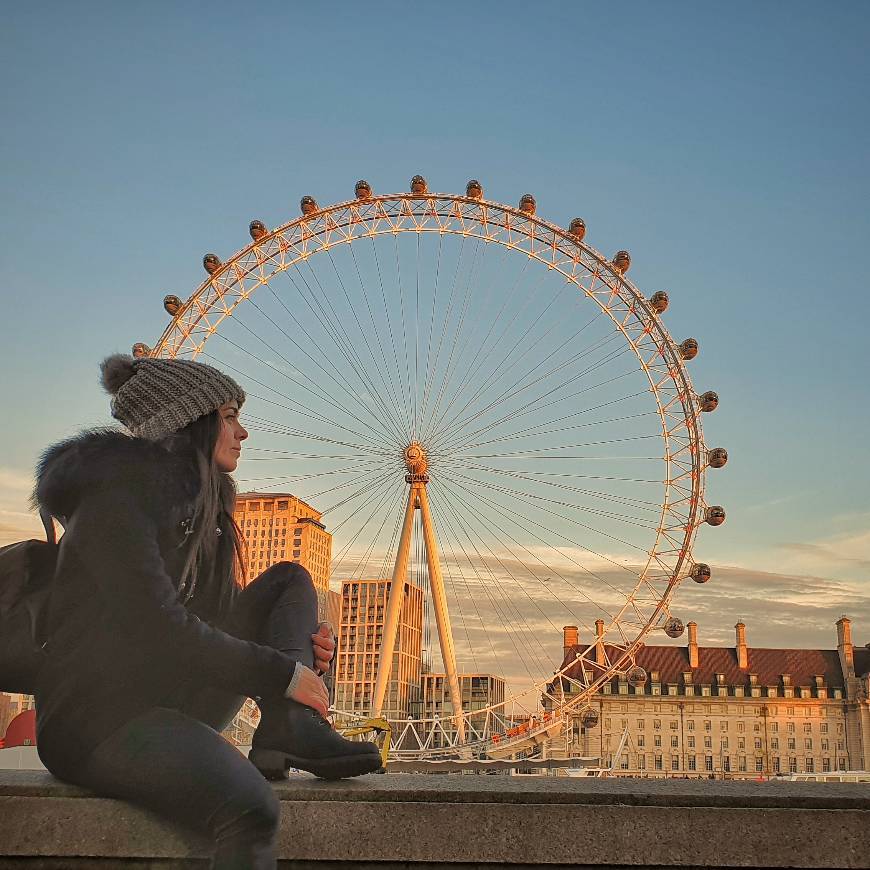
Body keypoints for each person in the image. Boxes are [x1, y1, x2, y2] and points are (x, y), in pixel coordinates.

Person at [32, 353, 381, 869]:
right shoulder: (115, 500)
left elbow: (214, 627)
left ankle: (289, 729)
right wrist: (282, 671)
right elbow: (159, 629)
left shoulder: (204, 508)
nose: (242, 432)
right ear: (188, 420)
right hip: (97, 718)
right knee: (251, 809)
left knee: (290, 581)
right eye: (229, 415)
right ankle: (288, 723)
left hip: (165, 693)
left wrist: (301, 651)